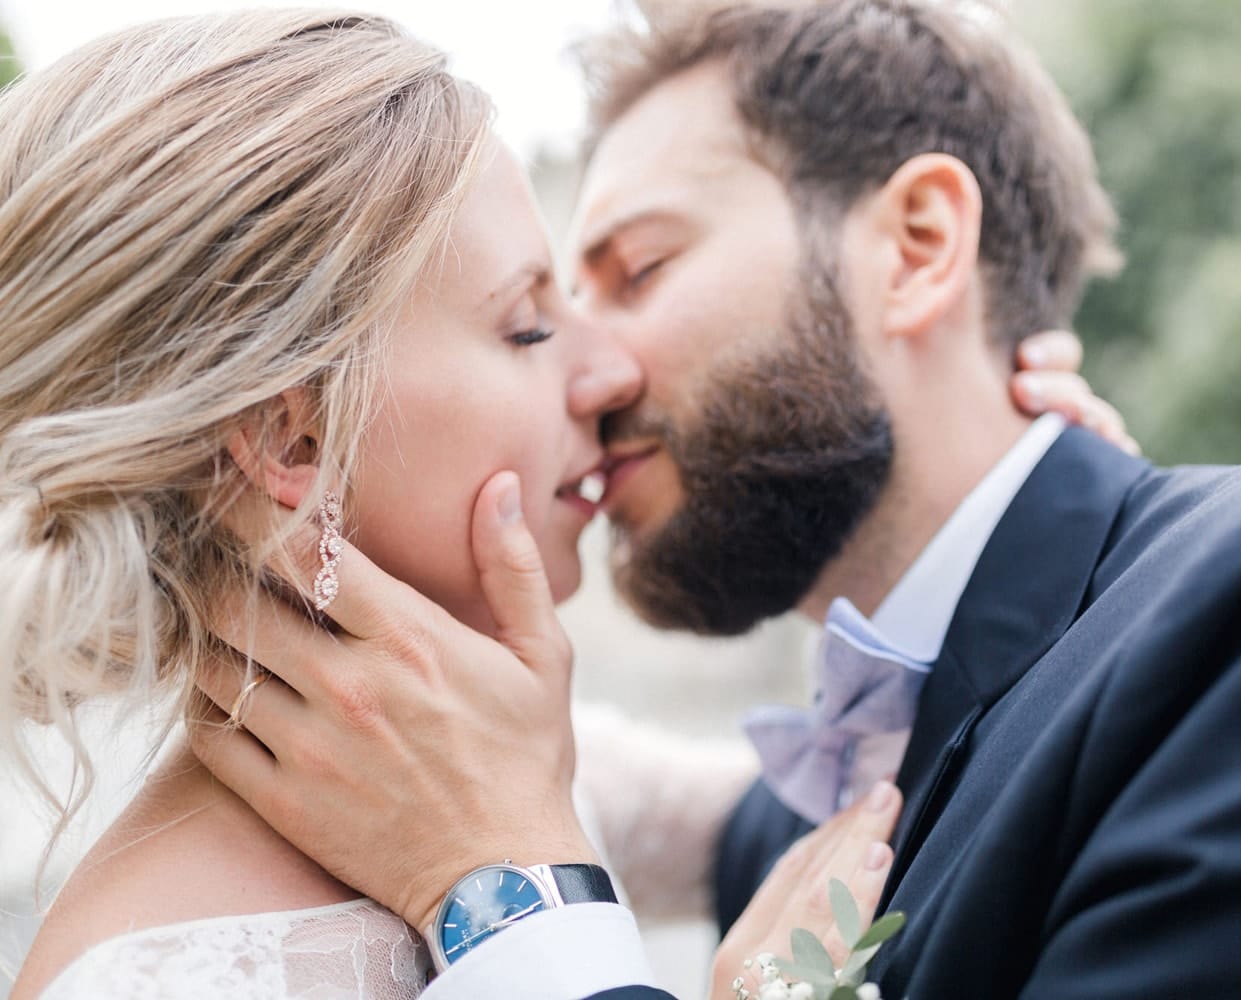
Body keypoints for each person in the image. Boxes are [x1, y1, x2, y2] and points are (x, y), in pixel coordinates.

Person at [192, 1, 1241, 998]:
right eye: (546, 317)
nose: (592, 374)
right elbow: (639, 798)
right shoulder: (823, 792)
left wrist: (511, 897)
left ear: (919, 246)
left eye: (636, 269)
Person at [0, 9, 1111, 999]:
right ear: (294, 439)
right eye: (529, 324)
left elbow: (865, 797)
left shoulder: (517, 760)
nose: (608, 371)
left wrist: (1015, 504)